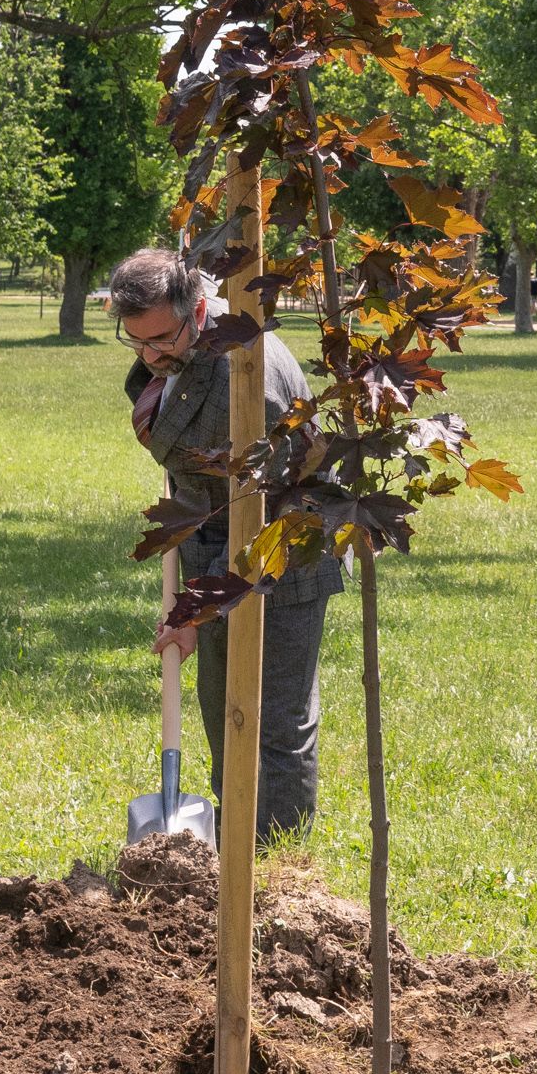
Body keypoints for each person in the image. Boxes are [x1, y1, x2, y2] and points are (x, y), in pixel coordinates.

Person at [108, 244, 342, 844]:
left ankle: (278, 864)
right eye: (135, 341)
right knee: (224, 713)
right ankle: (238, 846)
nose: (148, 354)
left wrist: (193, 612)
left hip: (284, 548)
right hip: (216, 542)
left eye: (160, 340)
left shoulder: (249, 382)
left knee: (272, 725)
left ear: (199, 309)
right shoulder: (186, 350)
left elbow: (258, 514)